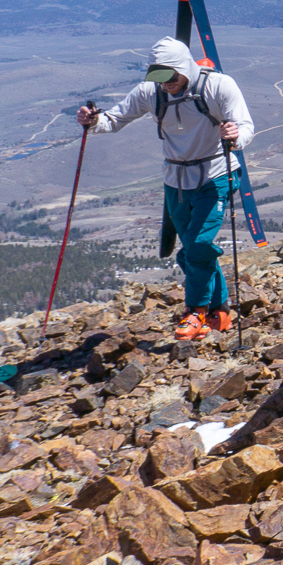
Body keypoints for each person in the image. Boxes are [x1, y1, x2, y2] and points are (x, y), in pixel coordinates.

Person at [80, 37, 254, 340]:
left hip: (216, 175)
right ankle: (221, 310)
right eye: (160, 78)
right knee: (192, 251)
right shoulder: (151, 92)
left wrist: (235, 136)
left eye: (172, 76)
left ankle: (195, 312)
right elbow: (114, 119)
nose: (167, 84)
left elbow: (245, 126)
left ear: (185, 67)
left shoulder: (219, 86)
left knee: (198, 244)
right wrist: (92, 121)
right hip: (175, 180)